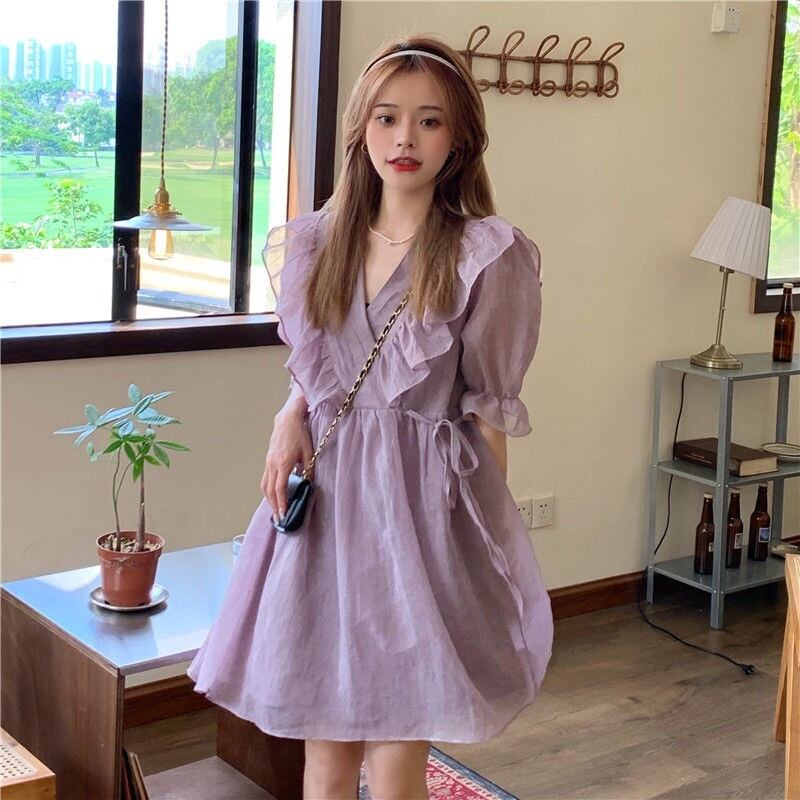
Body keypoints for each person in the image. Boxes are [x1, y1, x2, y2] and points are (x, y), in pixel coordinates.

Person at [187, 34, 554, 800]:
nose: (404, 138)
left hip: (418, 520)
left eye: (429, 120)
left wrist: (486, 539)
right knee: (324, 755)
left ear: (459, 138)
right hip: (326, 512)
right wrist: (289, 412)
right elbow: (320, 368)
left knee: (394, 759)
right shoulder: (317, 244)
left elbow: (488, 411)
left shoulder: (486, 254)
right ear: (362, 128)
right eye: (387, 117)